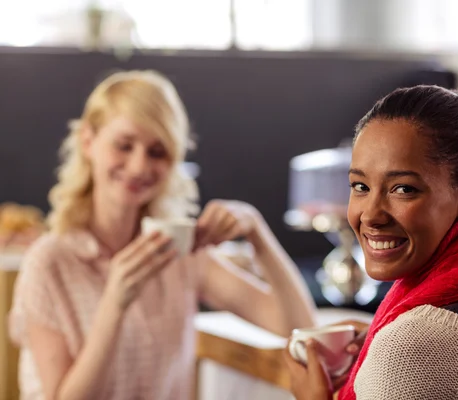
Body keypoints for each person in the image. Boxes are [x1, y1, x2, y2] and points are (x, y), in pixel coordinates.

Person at [9, 70, 316, 400]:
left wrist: (258, 233)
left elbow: (300, 327)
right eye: (124, 146)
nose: (139, 166)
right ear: (88, 141)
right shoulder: (50, 261)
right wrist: (115, 303)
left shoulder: (178, 252)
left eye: (157, 152)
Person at [284, 85, 458, 399]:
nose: (372, 215)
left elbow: (430, 355)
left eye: (403, 189)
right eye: (360, 186)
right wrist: (385, 334)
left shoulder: (409, 350)